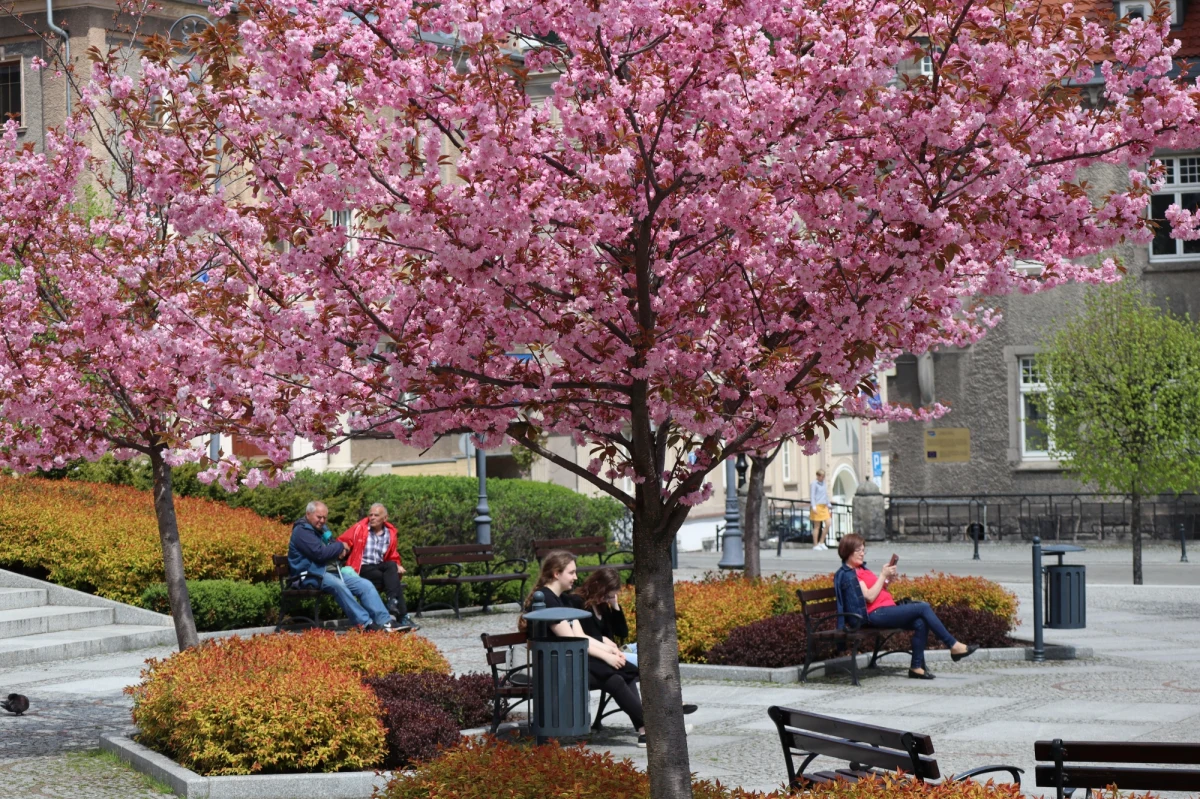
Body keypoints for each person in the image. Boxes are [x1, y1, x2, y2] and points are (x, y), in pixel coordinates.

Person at [521, 553, 651, 746]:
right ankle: (650, 725)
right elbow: (571, 639)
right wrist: (606, 657)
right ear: (557, 574)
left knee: (622, 673)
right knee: (616, 674)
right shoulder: (547, 599)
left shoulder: (562, 599)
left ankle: (645, 728)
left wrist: (610, 651)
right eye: (571, 572)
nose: (575, 577)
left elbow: (581, 636)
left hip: (568, 662)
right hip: (555, 669)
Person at [834, 533, 978, 679]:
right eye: (858, 550)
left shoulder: (862, 570)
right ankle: (953, 645)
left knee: (920, 622)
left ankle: (916, 667)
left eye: (864, 550)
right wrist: (882, 575)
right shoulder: (848, 575)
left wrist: (887, 580)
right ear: (848, 550)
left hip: (885, 610)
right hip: (874, 614)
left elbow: (878, 591)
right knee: (923, 607)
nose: (862, 554)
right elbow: (870, 597)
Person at [288, 500, 395, 631]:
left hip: (330, 571)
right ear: (308, 514)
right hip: (309, 574)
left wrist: (340, 549)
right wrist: (340, 546)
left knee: (364, 584)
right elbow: (320, 554)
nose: (322, 520)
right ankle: (365, 624)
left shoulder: (322, 529)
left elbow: (333, 544)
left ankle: (385, 621)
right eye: (319, 517)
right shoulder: (301, 531)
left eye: (324, 518)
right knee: (338, 585)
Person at [338, 503, 420, 631]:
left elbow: (392, 555)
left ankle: (392, 601)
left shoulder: (390, 534)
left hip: (378, 566)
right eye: (370, 515)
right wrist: (343, 547)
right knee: (393, 582)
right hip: (361, 568)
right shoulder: (360, 528)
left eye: (376, 515)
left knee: (392, 566)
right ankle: (402, 614)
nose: (372, 517)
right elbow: (342, 540)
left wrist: (397, 565)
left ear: (385, 518)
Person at [809, 470, 831, 550]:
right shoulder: (814, 484)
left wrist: (828, 504)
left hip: (824, 506)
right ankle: (815, 544)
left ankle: (821, 542)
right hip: (817, 506)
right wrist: (813, 506)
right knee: (817, 526)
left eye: (823, 476)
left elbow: (825, 494)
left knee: (828, 523)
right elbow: (812, 495)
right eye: (821, 476)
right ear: (818, 476)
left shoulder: (824, 484)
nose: (823, 478)